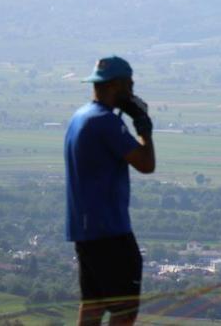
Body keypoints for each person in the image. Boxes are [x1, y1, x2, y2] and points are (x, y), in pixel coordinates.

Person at [65, 55, 155, 325]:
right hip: (110, 230)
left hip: (86, 229)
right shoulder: (106, 122)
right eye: (129, 84)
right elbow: (146, 164)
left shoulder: (80, 117)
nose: (132, 90)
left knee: (92, 305)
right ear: (116, 85)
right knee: (124, 310)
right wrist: (143, 126)